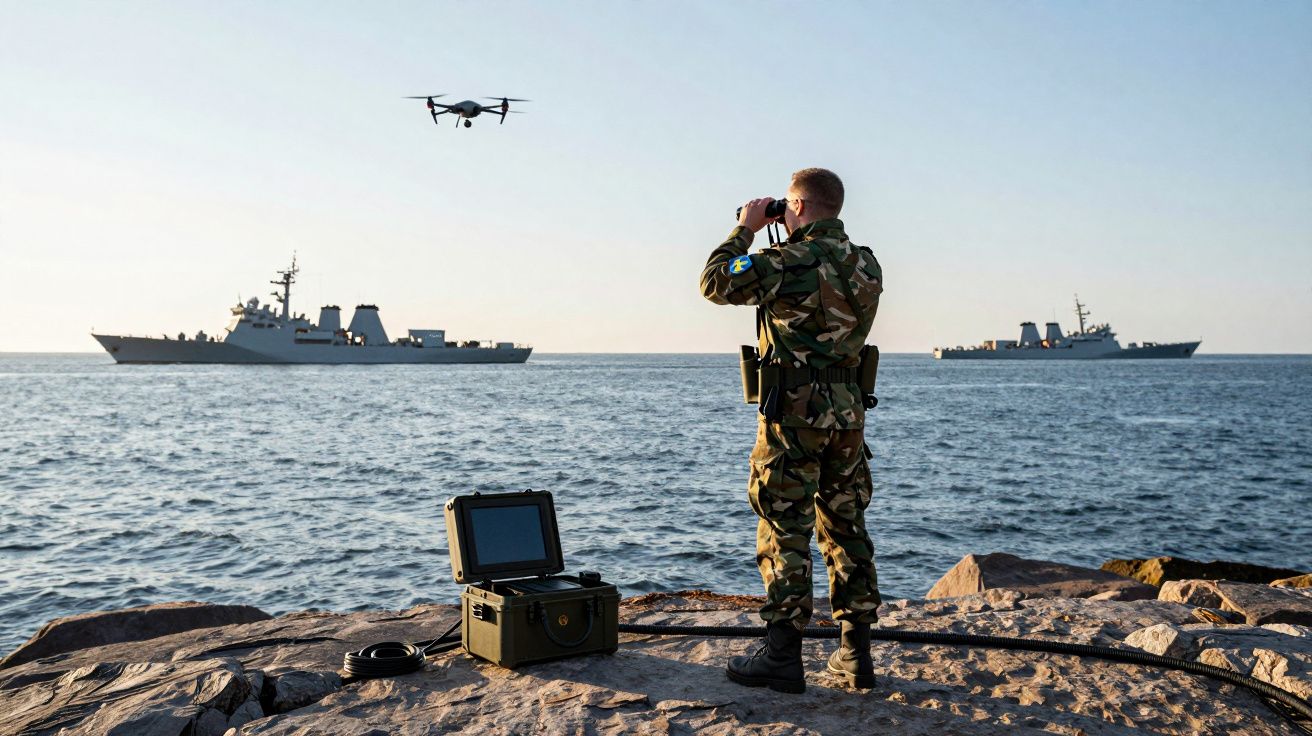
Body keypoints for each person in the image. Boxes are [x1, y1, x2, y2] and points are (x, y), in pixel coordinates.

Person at [699, 168, 883, 693]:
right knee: (846, 526)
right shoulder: (866, 263)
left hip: (794, 416)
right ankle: (856, 654)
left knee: (785, 527)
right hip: (847, 417)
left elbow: (715, 282)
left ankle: (782, 654)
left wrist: (746, 229)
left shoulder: (786, 261)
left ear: (797, 205)